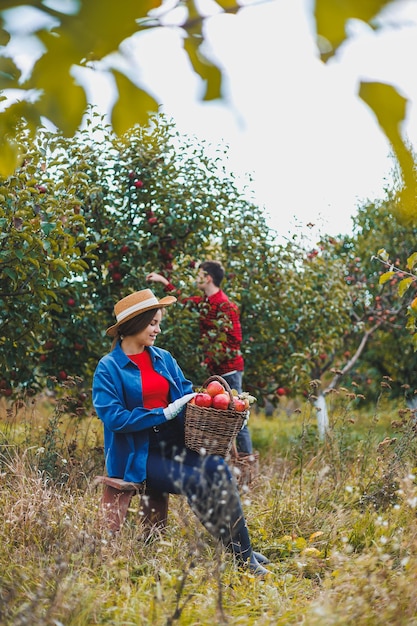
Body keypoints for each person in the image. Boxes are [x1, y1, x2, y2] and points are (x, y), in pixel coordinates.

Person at [92, 288, 271, 576]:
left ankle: (242, 550)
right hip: (140, 453)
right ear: (134, 324)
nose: (157, 329)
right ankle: (243, 556)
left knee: (218, 469)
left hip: (177, 442)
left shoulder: (162, 358)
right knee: (197, 481)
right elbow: (114, 418)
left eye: (158, 323)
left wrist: (223, 408)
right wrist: (160, 413)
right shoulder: (109, 368)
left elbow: (188, 395)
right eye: (152, 324)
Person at [146, 260, 253, 454]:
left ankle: (247, 460)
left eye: (200, 275)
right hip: (215, 371)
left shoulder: (224, 305)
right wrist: (164, 281)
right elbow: (184, 301)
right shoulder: (205, 302)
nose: (197, 278)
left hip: (228, 369)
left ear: (208, 278)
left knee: (236, 415)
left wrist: (211, 356)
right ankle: (226, 457)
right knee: (218, 416)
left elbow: (236, 340)